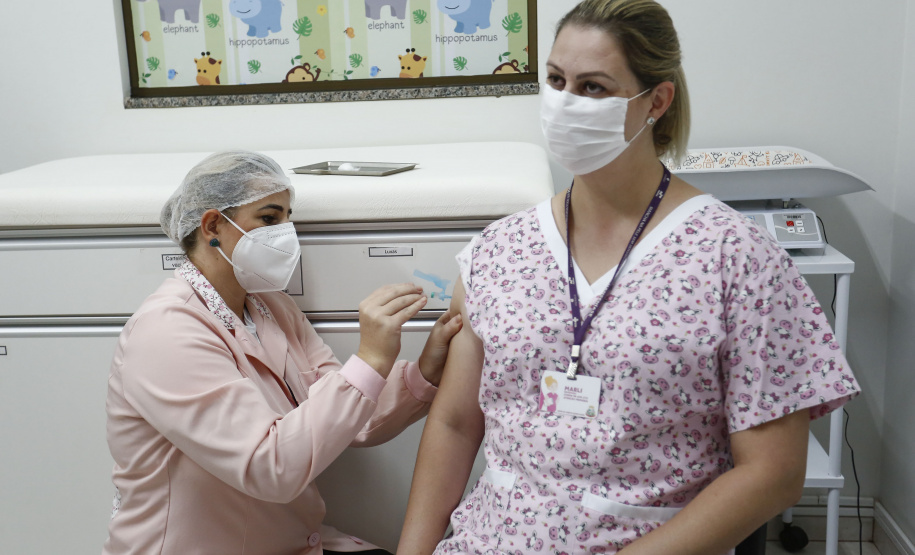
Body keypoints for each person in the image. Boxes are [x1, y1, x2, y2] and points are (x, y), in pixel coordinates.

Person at [397, 1, 861, 554]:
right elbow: (454, 425)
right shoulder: (497, 253)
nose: (565, 103)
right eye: (555, 80)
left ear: (656, 102)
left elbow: (774, 472)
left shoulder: (738, 258)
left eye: (593, 87)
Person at [103, 151, 462, 554]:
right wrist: (372, 356)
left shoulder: (270, 306)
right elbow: (269, 467)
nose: (286, 233)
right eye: (270, 219)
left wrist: (425, 371)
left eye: (289, 218)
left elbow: (346, 419)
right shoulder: (166, 332)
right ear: (213, 225)